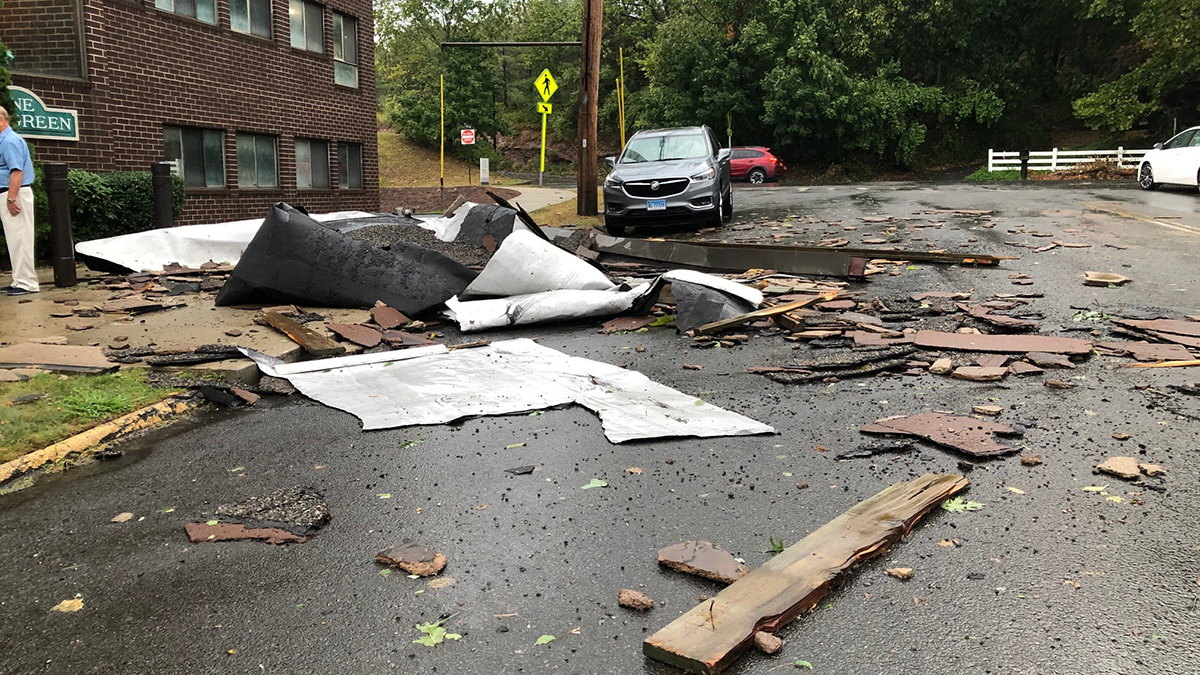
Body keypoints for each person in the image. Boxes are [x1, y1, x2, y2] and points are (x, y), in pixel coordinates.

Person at [0, 106, 37, 296]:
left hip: (14, 193)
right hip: (10, 193)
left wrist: (11, 198)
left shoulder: (9, 141)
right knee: (15, 239)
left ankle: (27, 283)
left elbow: (17, 171)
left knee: (21, 238)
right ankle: (18, 280)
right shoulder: (5, 140)